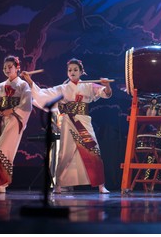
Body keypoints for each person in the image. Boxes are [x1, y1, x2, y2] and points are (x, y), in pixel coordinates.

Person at [21, 58, 112, 194]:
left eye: (75, 70)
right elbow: (43, 94)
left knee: (94, 151)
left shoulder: (89, 86)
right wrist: (29, 81)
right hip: (68, 122)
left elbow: (106, 93)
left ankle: (100, 185)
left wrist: (107, 85)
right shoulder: (62, 88)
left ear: (81, 72)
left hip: (83, 121)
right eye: (70, 70)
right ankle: (58, 184)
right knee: (65, 153)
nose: (72, 72)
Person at [0, 55, 32, 193]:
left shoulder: (23, 85)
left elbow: (27, 105)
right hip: (1, 120)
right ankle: (1, 183)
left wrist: (12, 110)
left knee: (4, 149)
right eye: (4, 67)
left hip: (15, 120)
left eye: (10, 67)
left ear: (17, 68)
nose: (6, 69)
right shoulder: (0, 86)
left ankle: (1, 181)